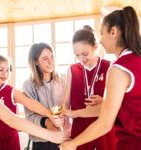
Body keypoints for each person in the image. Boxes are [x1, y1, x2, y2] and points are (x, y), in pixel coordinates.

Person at [59, 6, 141, 150]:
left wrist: (72, 144)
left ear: (113, 32)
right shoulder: (136, 60)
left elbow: (105, 123)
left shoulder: (119, 69)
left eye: (102, 33)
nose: (101, 40)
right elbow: (115, 108)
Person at [0, 48, 68, 150]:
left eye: (7, 69)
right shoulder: (29, 84)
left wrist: (50, 115)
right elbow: (12, 119)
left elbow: (28, 104)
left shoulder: (64, 79)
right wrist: (49, 132)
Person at [61, 25, 116, 150]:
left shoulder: (110, 67)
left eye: (84, 54)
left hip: (103, 127)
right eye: (77, 55)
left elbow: (115, 103)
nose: (81, 59)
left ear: (95, 47)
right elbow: (65, 103)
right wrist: (62, 114)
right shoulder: (72, 69)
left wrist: (103, 101)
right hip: (80, 129)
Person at [23, 43, 70, 150]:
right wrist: (46, 122)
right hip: (41, 142)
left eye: (52, 57)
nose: (50, 61)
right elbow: (30, 117)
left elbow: (72, 107)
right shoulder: (28, 85)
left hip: (65, 138)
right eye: (45, 59)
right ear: (35, 62)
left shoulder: (65, 80)